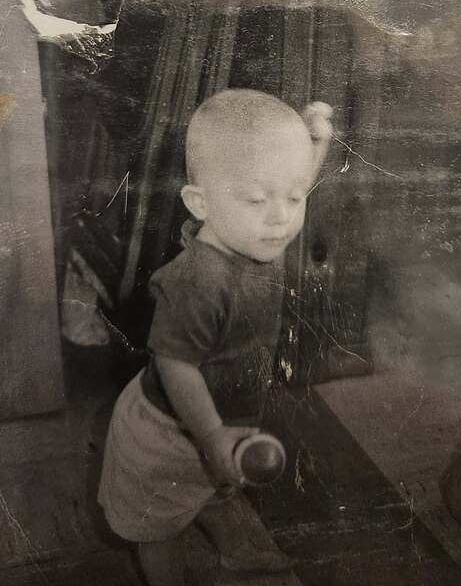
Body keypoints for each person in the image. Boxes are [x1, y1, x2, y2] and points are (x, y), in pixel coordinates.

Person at [98, 89, 333, 585]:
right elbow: (175, 364)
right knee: (158, 528)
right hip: (170, 433)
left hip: (224, 419)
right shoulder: (198, 283)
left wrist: (316, 147)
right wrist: (210, 436)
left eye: (294, 198)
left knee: (215, 489)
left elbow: (288, 185)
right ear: (199, 203)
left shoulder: (255, 233)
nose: (281, 217)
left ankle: (232, 544)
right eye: (257, 199)